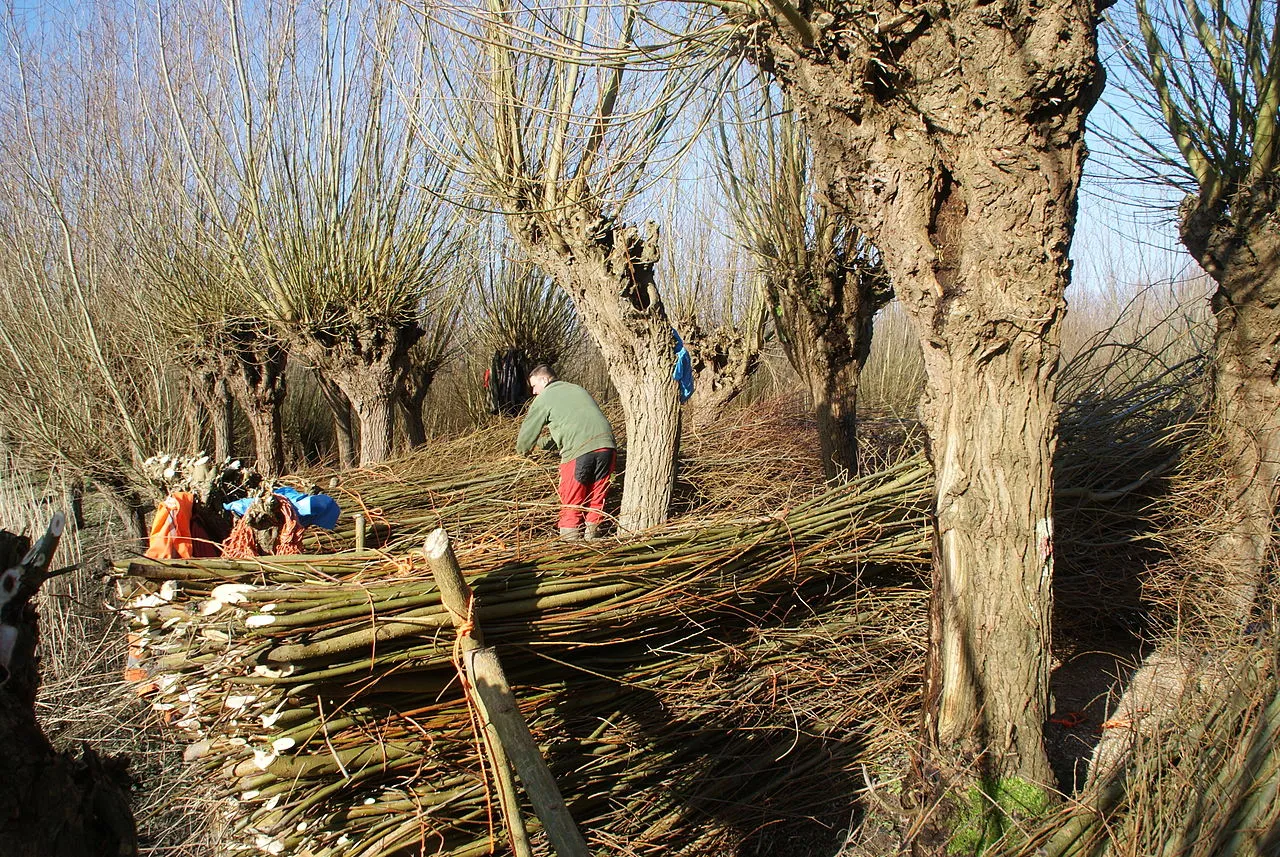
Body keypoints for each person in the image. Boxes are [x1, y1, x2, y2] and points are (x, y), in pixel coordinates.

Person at [515, 364, 616, 541]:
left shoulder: (545, 397)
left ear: (544, 380)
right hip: (607, 448)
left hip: (578, 452)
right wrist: (540, 445)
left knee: (572, 503)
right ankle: (593, 539)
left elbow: (527, 434)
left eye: (534, 386)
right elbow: (572, 429)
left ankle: (570, 547)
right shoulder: (576, 389)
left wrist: (522, 451)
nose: (534, 392)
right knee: (596, 500)